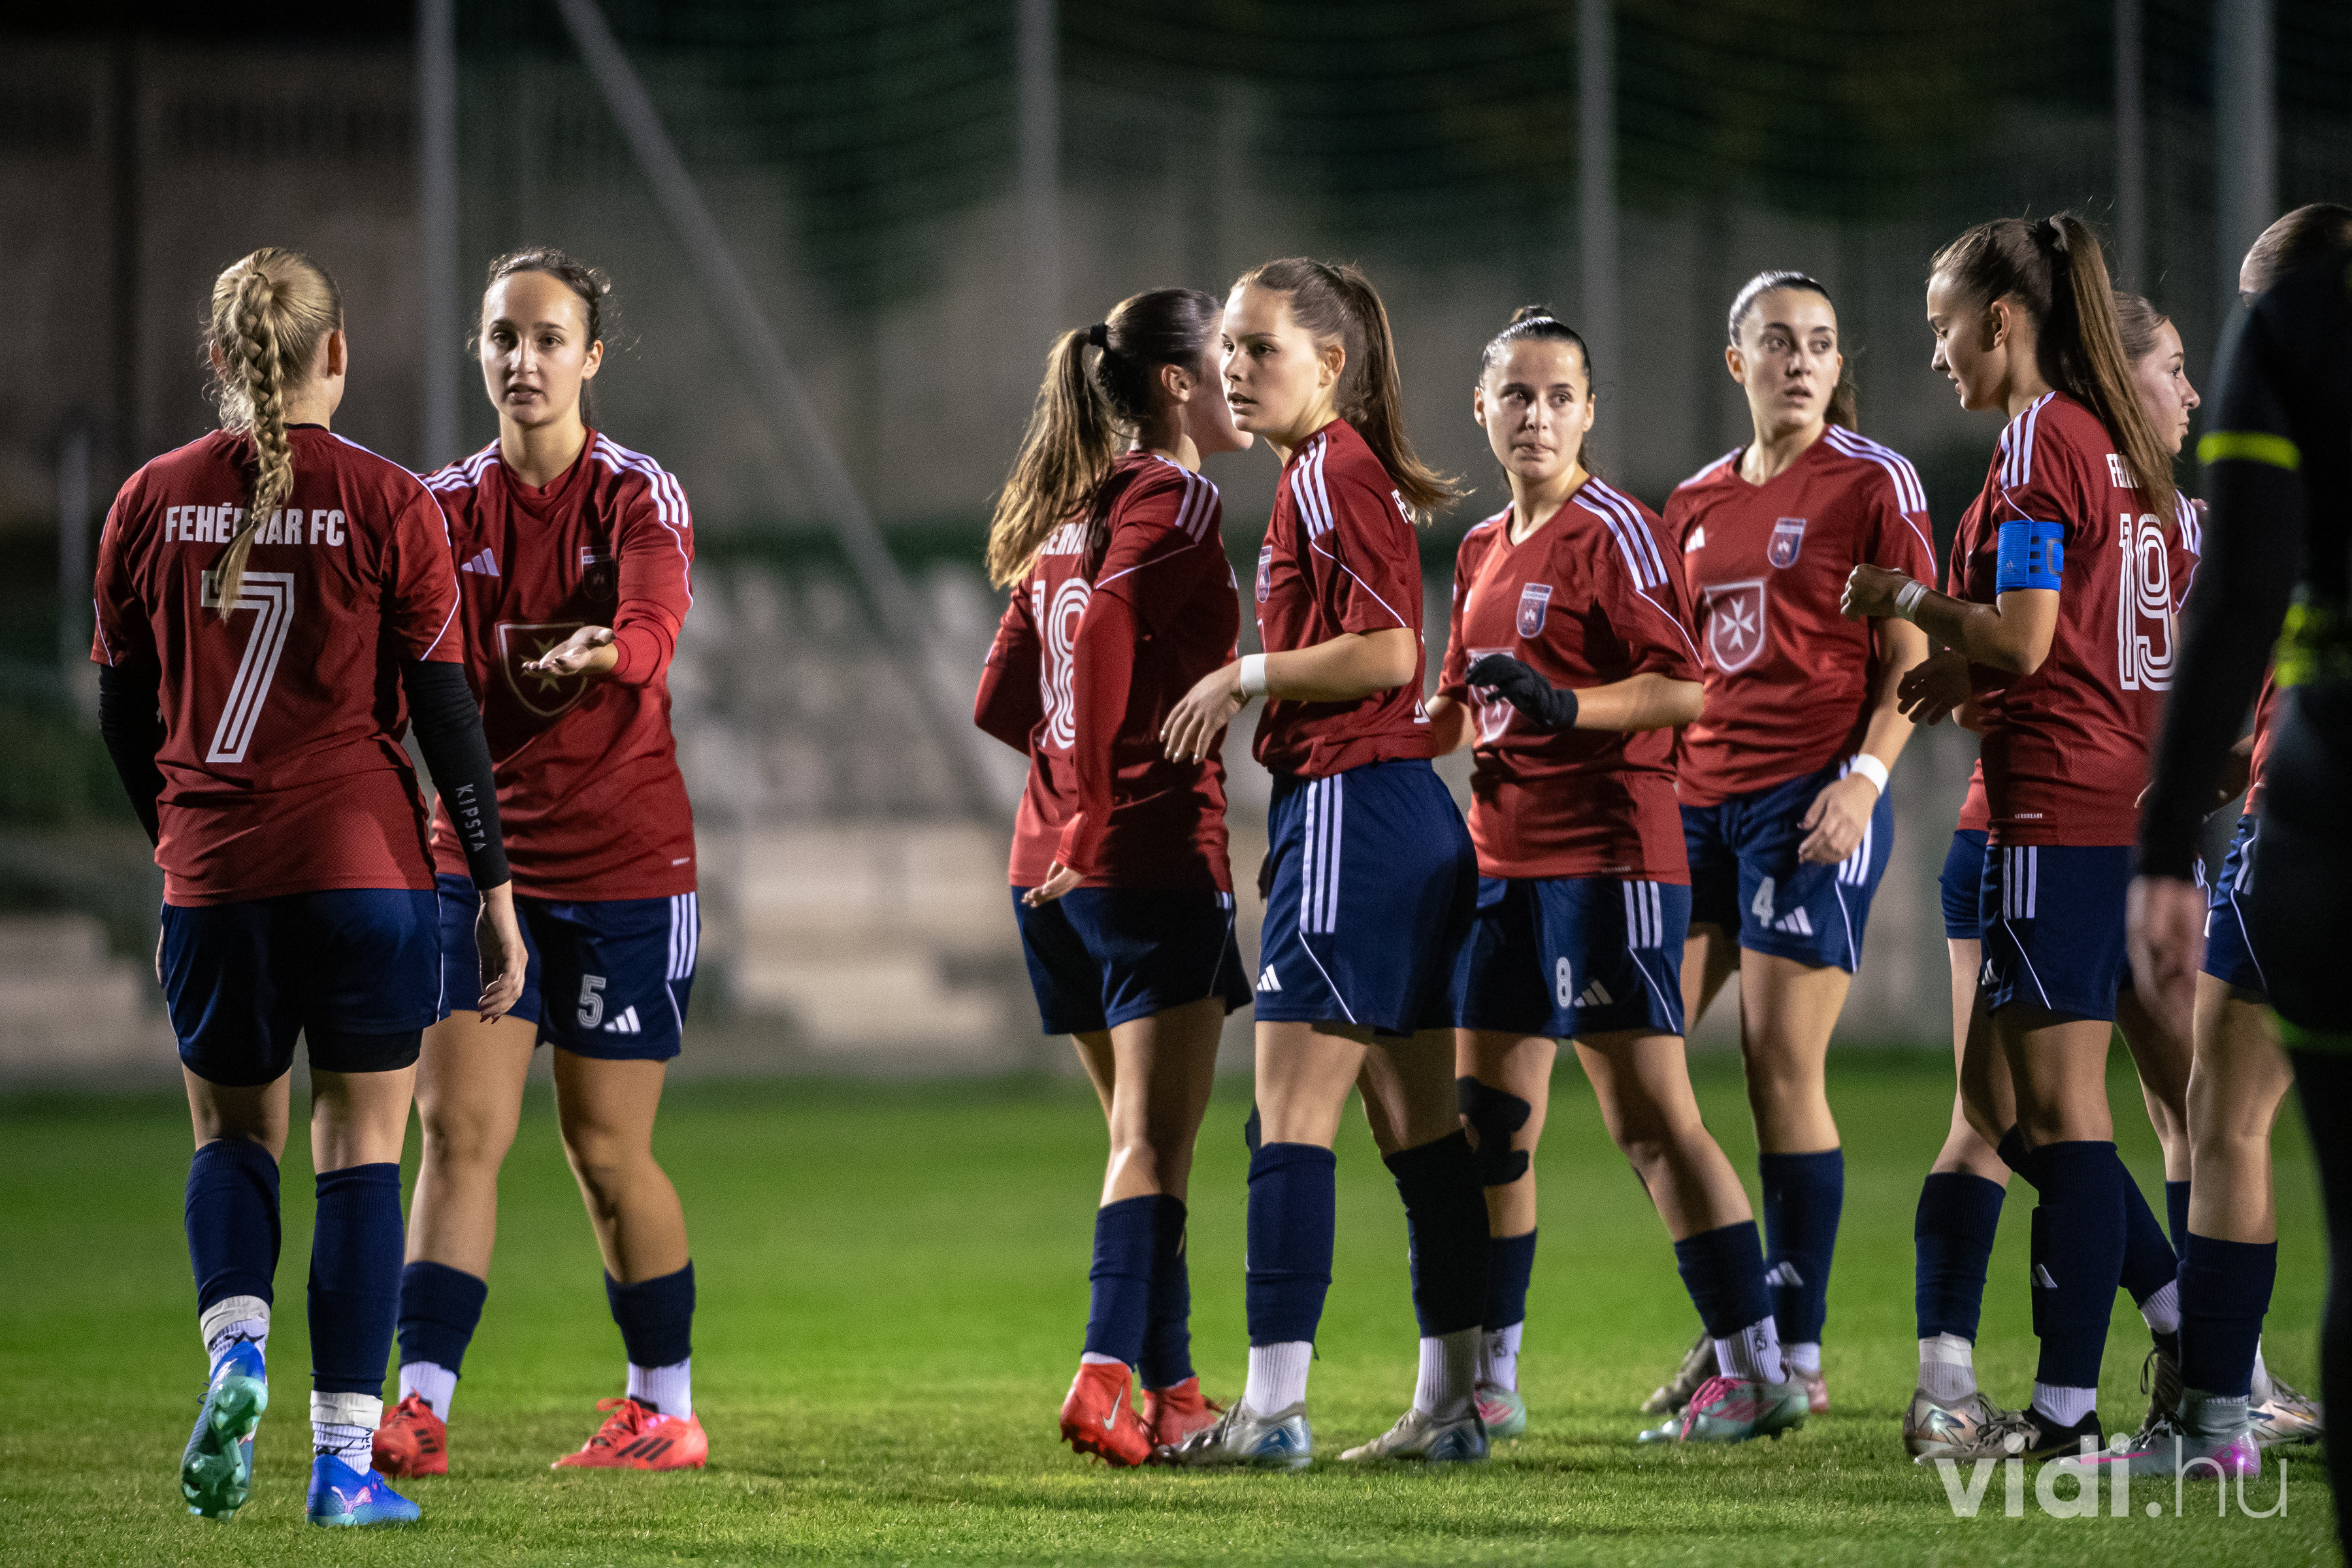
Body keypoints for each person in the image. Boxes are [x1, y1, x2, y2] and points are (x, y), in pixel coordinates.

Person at [91, 247, 526, 1527]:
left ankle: (237, 1354)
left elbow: (121, 712)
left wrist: (176, 843)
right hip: (367, 882)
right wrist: (494, 889)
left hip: (217, 881)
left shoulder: (146, 500)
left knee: (234, 1140)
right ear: (337, 354)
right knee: (363, 1155)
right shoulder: (394, 503)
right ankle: (342, 1470)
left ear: (219, 361)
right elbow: (447, 718)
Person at [1843, 212, 2189, 1458]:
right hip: (2102, 802)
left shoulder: (2045, 436)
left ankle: (2071, 1412)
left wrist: (1905, 598)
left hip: (2053, 810)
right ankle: (2168, 1349)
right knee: (2026, 1112)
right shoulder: (2100, 438)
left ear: (2001, 319)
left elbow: (2031, 637)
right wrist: (1971, 672)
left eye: (1944, 326)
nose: (1935, 352)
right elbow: (2072, 642)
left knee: (2062, 1119)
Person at [1433, 307, 1808, 1446]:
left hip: (1608, 859)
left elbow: (1686, 686)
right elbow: (1453, 708)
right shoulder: (1479, 547)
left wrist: (1565, 705)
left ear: (1590, 411)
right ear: (1482, 408)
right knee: (1487, 1127)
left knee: (1651, 1120)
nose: (1537, 416)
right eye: (1517, 394)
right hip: (1501, 864)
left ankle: (1756, 1370)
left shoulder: (1616, 531)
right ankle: (1491, 1384)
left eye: (1560, 397)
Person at [370, 250, 706, 1478]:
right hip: (478, 863)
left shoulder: (636, 492)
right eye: (503, 338)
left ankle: (663, 1408)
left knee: (605, 1152)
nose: (524, 360)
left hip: (626, 866)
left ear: (591, 356)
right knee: (458, 1131)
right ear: (480, 351)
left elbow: (656, 625)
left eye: (549, 338)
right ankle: (420, 1408)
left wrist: (612, 653)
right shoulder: (438, 508)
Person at [1160, 257, 1486, 1468]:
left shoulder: (1330, 472)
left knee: (1288, 1119)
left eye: (1261, 348)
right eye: (1228, 349)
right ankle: (1450, 1409)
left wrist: (1243, 675)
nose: (1234, 369)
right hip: (1397, 814)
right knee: (1421, 1133)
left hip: (1355, 809)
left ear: (1330, 362)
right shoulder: (1335, 471)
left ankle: (1271, 1410)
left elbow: (1389, 652)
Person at [1637, 271, 1935, 1422]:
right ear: (1737, 361)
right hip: (1696, 809)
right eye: (1777, 341)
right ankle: (1740, 1323)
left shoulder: (1873, 481)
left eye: (1819, 342)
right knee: (1640, 1066)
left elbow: (1910, 656)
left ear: (1836, 363)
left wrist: (1865, 779)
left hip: (1810, 804)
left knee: (1777, 1072)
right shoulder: (1694, 502)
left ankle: (1793, 1353)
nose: (1800, 361)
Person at [971, 289, 1256, 1465]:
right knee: (1153, 1146)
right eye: (1225, 355)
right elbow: (1103, 637)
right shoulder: (1176, 495)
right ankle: (1103, 1379)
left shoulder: (1070, 512)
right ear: (1177, 383)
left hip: (1048, 874)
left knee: (1147, 1151)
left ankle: (1176, 1391)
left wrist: (1064, 800)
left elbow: (1001, 699)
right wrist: (1100, 808)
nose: (1242, 375)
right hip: (1142, 861)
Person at [2131, 204, 2352, 1499]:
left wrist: (2168, 828)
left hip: (2321, 805)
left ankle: (2214, 1416)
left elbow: (2242, 593)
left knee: (2228, 1111)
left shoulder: (2296, 345)